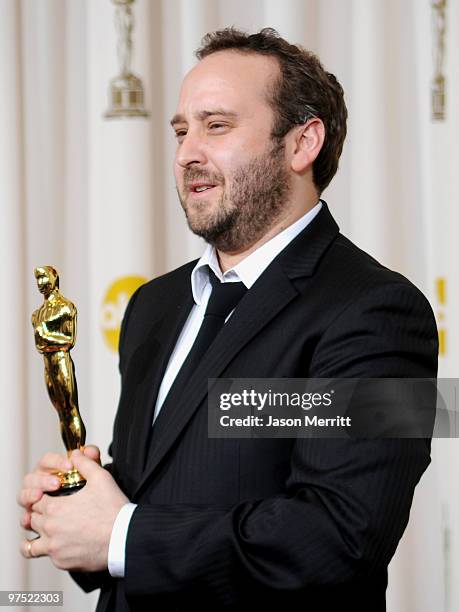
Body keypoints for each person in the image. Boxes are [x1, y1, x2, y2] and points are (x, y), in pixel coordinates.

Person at [18, 28, 438, 611]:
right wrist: (83, 504)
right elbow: (168, 482)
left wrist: (121, 536)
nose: (189, 151)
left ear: (302, 143)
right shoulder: (155, 306)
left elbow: (341, 536)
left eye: (216, 125)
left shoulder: (385, 312)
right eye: (182, 130)